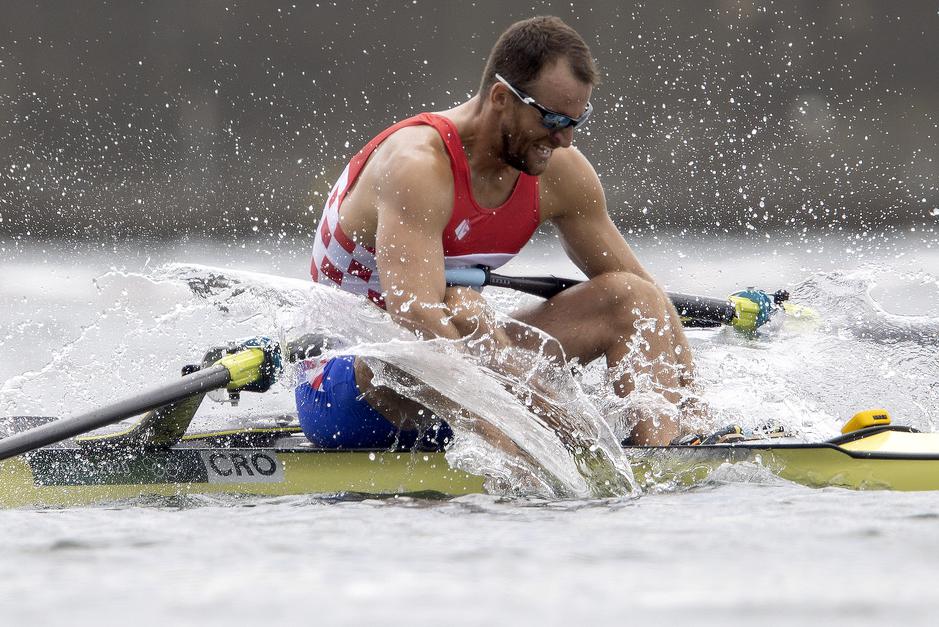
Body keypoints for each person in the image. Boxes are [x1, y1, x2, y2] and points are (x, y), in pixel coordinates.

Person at [297, 15, 696, 450]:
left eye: (575, 122)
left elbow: (651, 301)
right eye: (552, 119)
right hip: (351, 386)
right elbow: (416, 321)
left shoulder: (560, 173)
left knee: (631, 298)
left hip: (468, 365)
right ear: (503, 98)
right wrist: (545, 417)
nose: (563, 140)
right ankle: (554, 451)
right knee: (465, 310)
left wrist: (693, 400)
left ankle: (661, 456)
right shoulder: (418, 165)